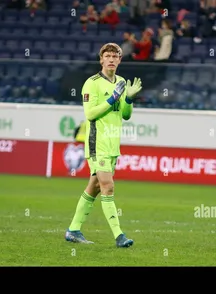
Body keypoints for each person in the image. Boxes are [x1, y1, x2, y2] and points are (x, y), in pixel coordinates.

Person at [65, 43, 142, 248]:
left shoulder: (122, 81)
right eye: (107, 56)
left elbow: (125, 115)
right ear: (101, 60)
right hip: (96, 143)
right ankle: (119, 236)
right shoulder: (92, 83)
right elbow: (90, 114)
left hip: (113, 143)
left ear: (119, 60)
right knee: (108, 186)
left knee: (95, 187)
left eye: (114, 56)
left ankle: (73, 230)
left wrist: (130, 99)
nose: (110, 59)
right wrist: (113, 97)